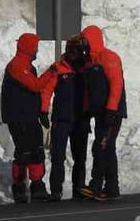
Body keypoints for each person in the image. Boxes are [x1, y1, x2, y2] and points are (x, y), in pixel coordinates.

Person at [1, 33, 57, 203]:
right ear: (29, 48)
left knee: (37, 150)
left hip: (29, 116)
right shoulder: (17, 66)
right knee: (24, 151)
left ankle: (37, 186)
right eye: (35, 47)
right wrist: (52, 71)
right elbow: (35, 86)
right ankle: (19, 188)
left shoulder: (27, 66)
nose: (37, 50)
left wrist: (41, 111)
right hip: (18, 117)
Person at [77, 25, 126, 201]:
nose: (83, 46)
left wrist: (111, 109)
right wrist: (86, 111)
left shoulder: (109, 58)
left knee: (101, 147)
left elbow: (116, 84)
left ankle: (96, 185)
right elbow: (91, 91)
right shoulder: (91, 62)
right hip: (100, 114)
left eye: (85, 42)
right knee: (106, 148)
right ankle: (112, 188)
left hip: (111, 113)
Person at [42, 35, 90, 201]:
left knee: (80, 157)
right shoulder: (58, 67)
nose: (75, 54)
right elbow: (47, 89)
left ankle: (79, 188)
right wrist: (43, 111)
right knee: (57, 157)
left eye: (78, 50)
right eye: (72, 50)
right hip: (61, 119)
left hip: (81, 120)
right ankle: (56, 190)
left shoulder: (87, 68)